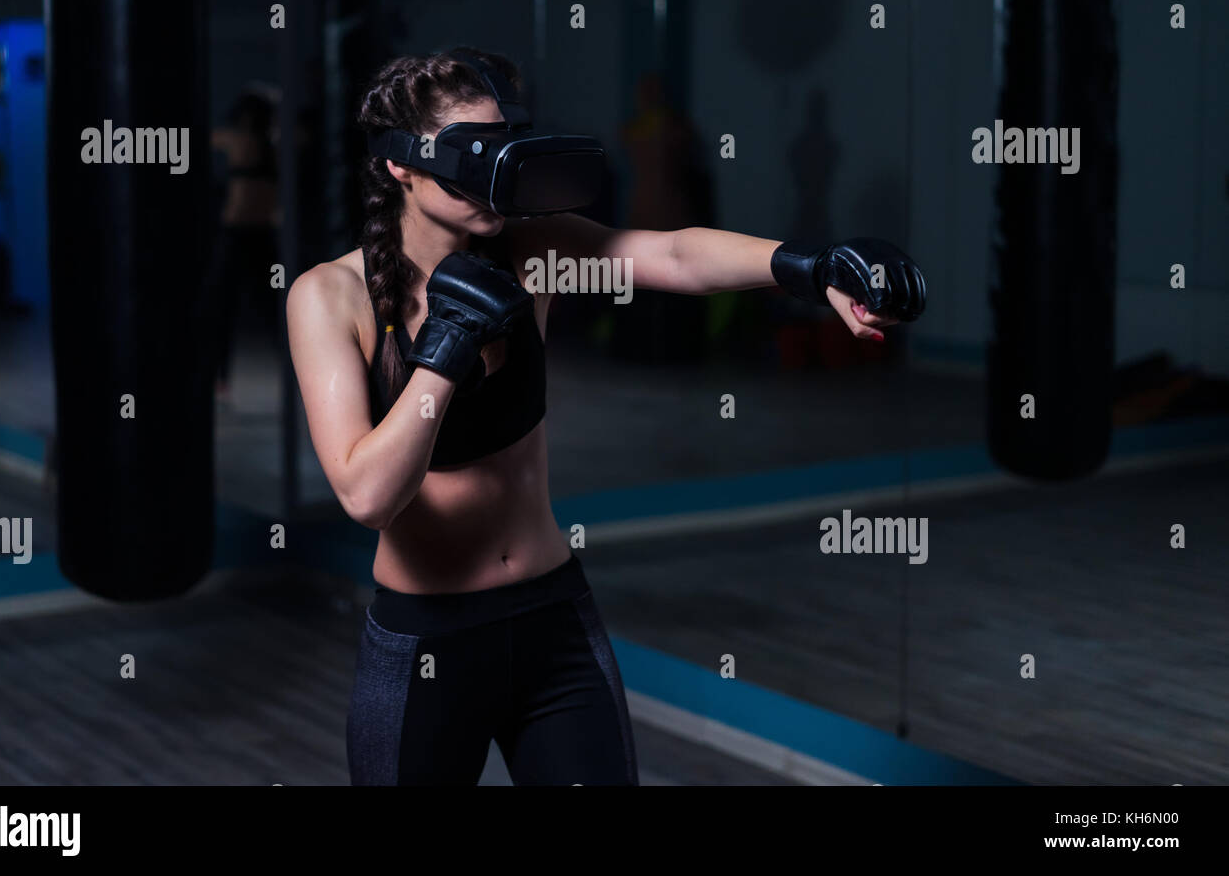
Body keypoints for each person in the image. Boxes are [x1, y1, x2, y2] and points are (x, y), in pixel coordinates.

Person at [286, 49, 925, 786]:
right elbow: (366, 495)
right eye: (472, 149)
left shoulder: (534, 247)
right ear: (402, 165)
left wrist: (812, 267)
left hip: (552, 620)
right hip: (428, 639)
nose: (498, 168)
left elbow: (671, 254)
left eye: (504, 142)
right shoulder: (331, 297)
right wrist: (443, 356)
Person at [210, 86, 281, 402]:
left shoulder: (274, 142)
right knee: (222, 308)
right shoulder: (237, 140)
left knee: (272, 309)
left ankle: (295, 373)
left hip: (259, 234)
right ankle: (219, 379)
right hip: (236, 233)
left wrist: (270, 97)